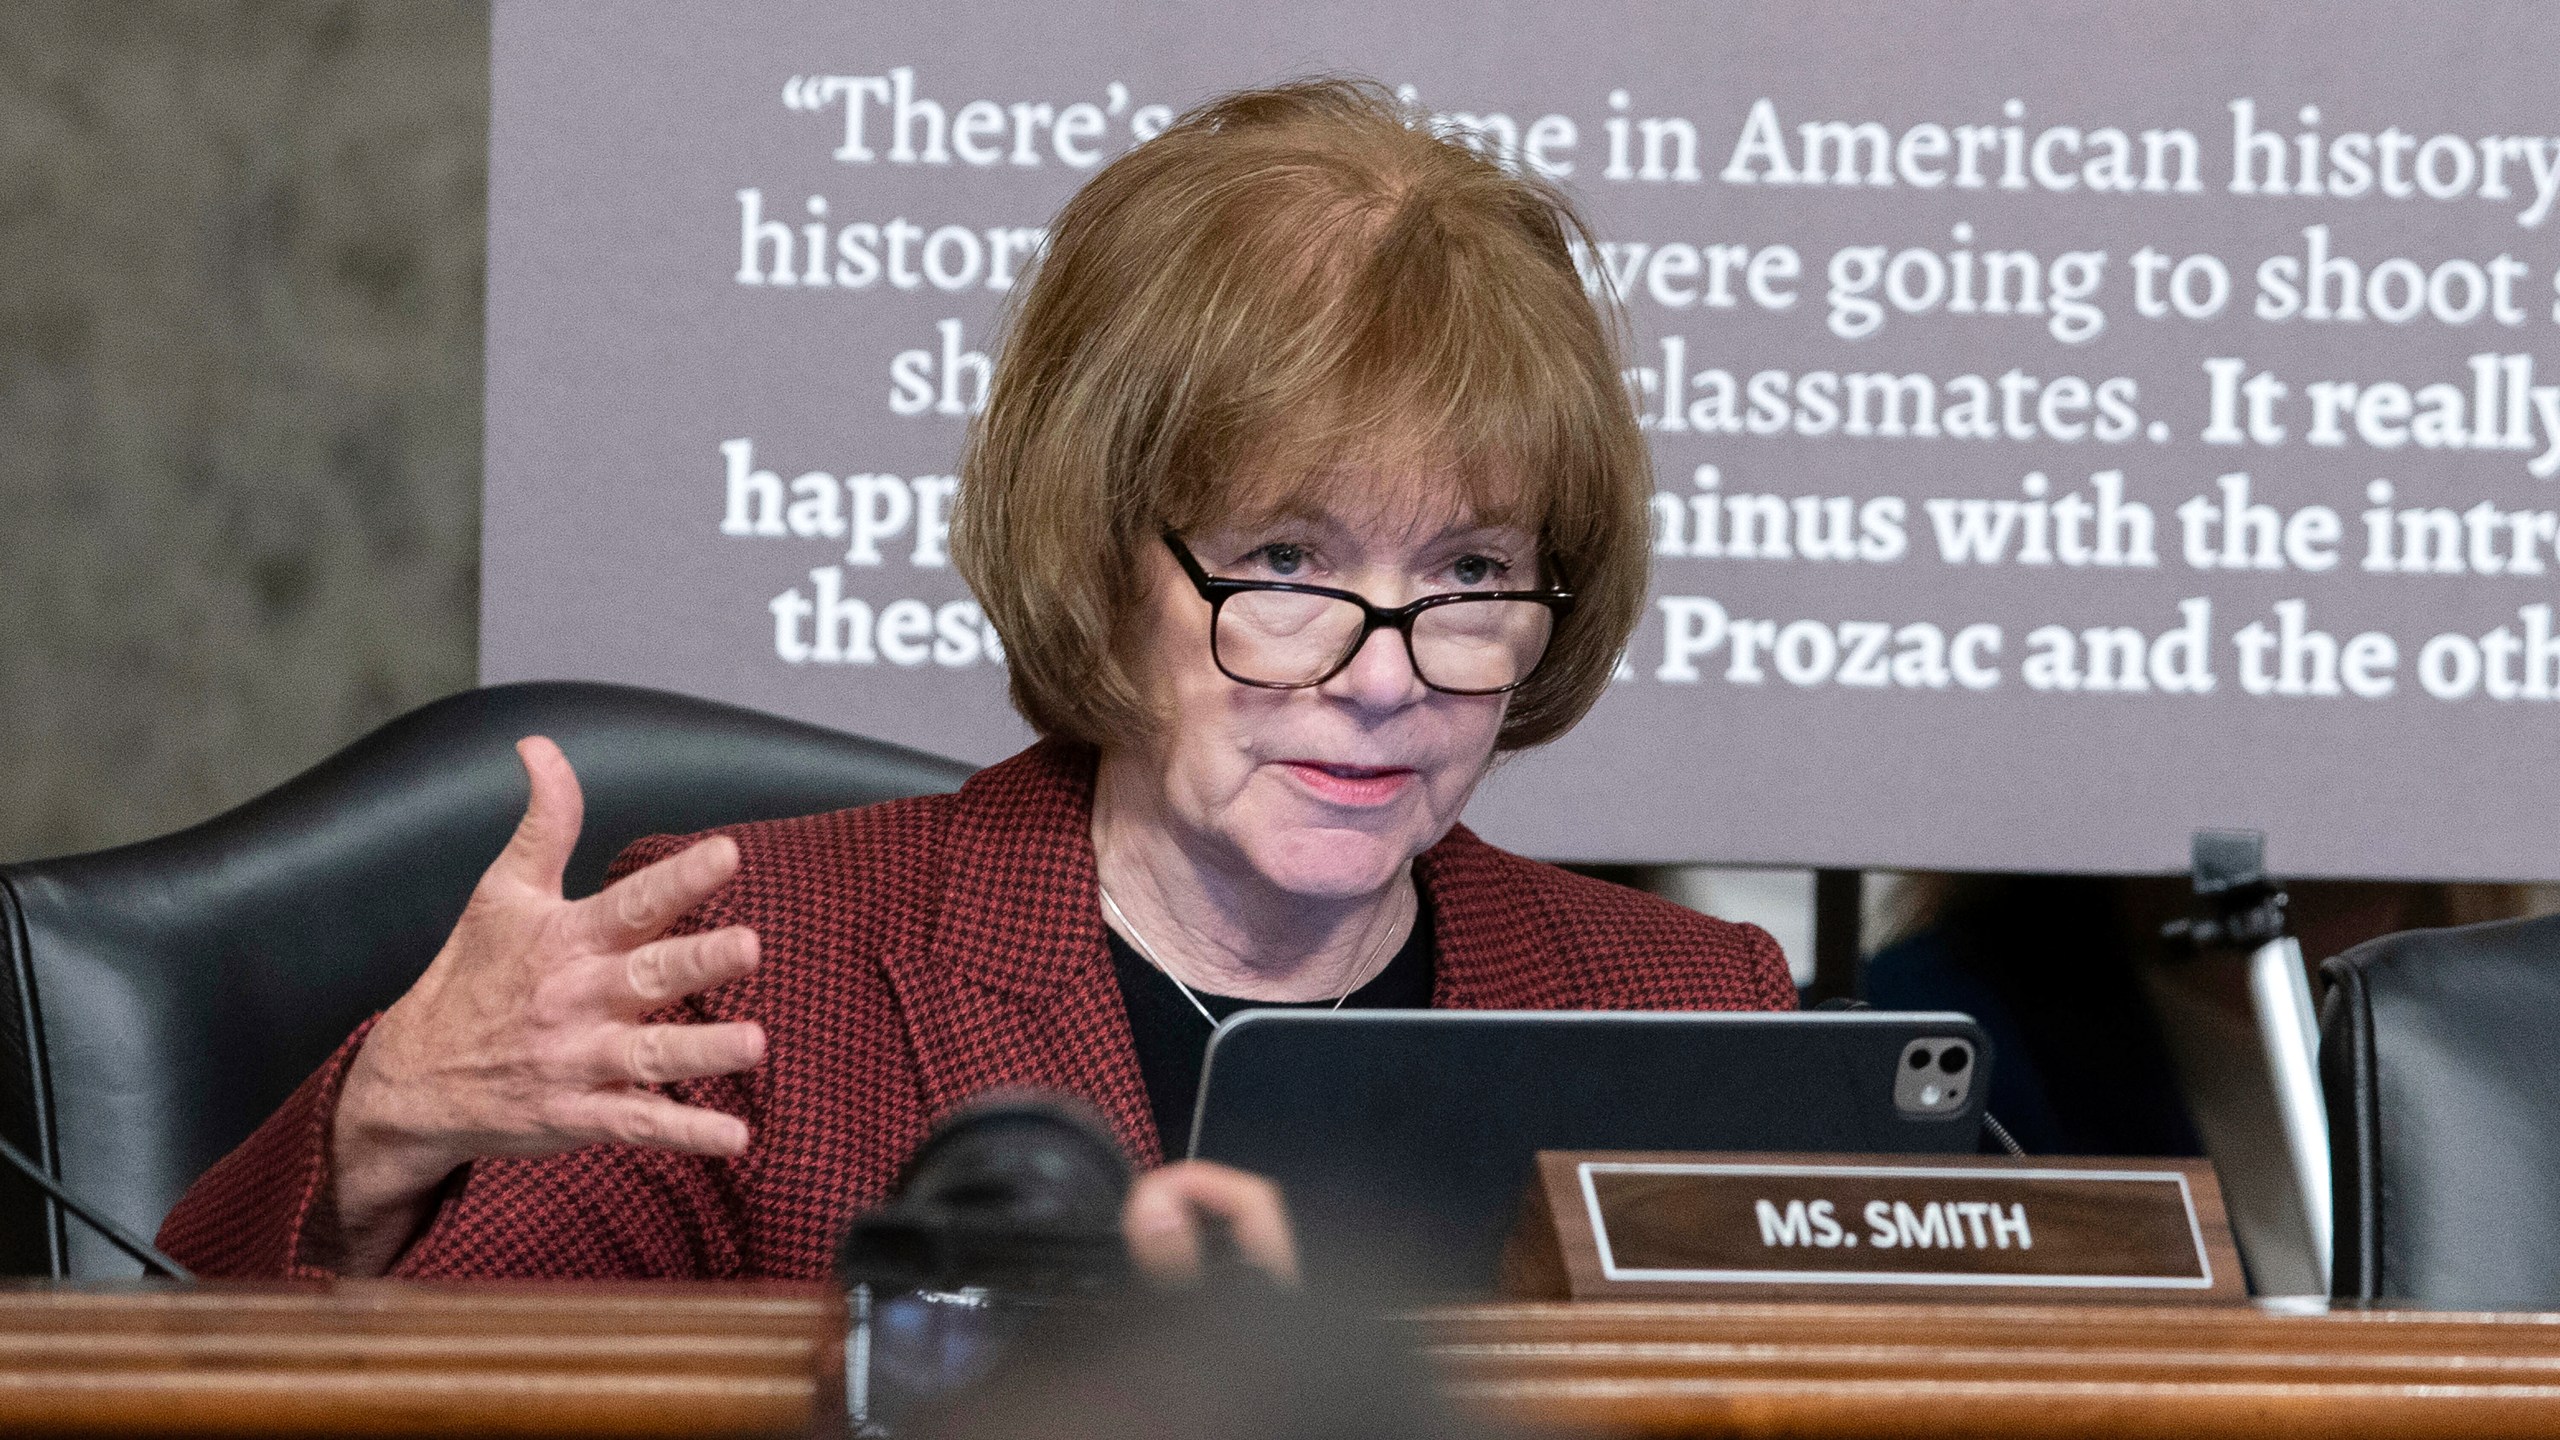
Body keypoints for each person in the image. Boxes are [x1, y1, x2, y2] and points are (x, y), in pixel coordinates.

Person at [156, 78, 1794, 1284]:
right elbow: (347, 1402)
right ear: (1096, 556)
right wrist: (382, 1125)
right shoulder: (752, 984)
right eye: (1286, 567)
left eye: (1468, 575)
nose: (1384, 678)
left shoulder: (1699, 1019)